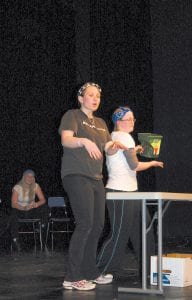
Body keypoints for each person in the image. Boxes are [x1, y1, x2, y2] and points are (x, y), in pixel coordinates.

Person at [59, 82, 126, 291]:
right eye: (90, 95)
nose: (95, 98)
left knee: (97, 225)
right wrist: (83, 142)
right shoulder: (72, 115)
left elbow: (107, 148)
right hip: (76, 175)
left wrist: (115, 147)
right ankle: (72, 276)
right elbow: (66, 140)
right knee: (85, 223)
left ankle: (90, 271)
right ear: (81, 98)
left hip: (96, 178)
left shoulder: (100, 123)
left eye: (97, 95)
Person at [97, 106, 164, 280]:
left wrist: (138, 150)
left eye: (133, 118)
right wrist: (152, 164)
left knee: (144, 231)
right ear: (119, 122)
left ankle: (149, 270)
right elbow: (134, 166)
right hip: (120, 193)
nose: (133, 122)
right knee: (120, 234)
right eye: (129, 119)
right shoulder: (124, 137)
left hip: (130, 192)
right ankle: (101, 271)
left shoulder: (119, 137)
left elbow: (125, 157)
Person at [10, 169, 48, 251]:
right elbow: (13, 204)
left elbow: (43, 200)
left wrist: (36, 204)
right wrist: (23, 208)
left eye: (32, 177)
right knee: (13, 213)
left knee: (44, 207)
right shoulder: (17, 187)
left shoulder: (36, 186)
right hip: (20, 210)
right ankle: (15, 239)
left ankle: (41, 227)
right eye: (28, 176)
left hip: (31, 210)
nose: (30, 178)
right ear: (24, 177)